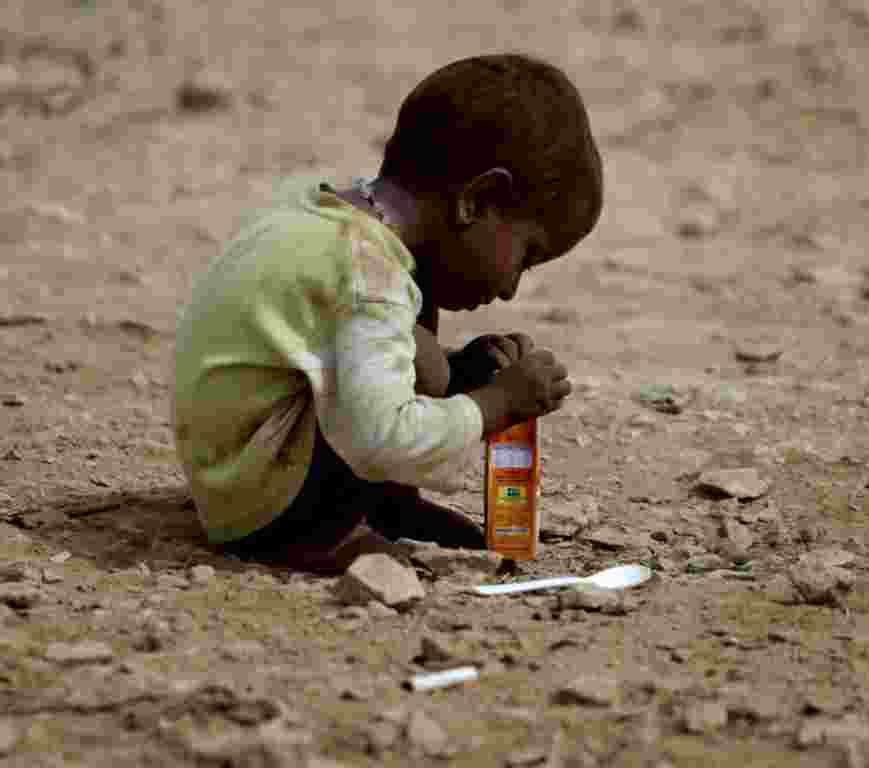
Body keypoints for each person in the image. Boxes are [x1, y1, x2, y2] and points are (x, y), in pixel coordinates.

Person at [172, 53, 604, 573]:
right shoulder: (368, 273)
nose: (511, 289)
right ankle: (322, 537)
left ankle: (385, 508)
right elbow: (380, 439)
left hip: (237, 473)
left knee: (424, 339)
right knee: (405, 376)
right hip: (261, 511)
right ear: (481, 199)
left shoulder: (338, 218)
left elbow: (346, 347)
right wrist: (498, 404)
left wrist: (463, 369)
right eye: (526, 256)